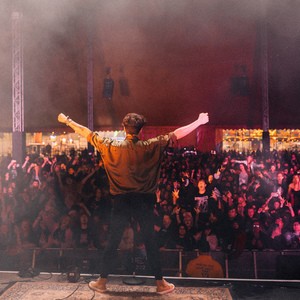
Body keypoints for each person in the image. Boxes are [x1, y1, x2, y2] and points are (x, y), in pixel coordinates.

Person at [58, 111, 209, 295]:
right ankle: (160, 283)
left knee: (113, 241)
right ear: (141, 130)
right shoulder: (150, 145)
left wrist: (67, 120)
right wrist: (198, 121)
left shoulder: (111, 145)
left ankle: (102, 281)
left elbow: (86, 132)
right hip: (143, 201)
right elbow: (177, 133)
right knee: (150, 241)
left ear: (123, 128)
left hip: (121, 201)